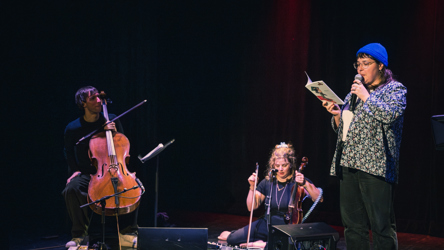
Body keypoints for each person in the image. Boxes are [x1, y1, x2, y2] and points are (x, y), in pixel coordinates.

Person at [322, 43, 407, 250]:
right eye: (357, 64)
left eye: (366, 64)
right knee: (353, 226)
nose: (360, 69)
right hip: (349, 164)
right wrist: (337, 115)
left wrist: (366, 97)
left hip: (376, 167)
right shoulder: (354, 94)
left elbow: (389, 116)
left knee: (381, 226)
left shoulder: (395, 89)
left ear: (380, 66)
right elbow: (344, 130)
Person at [63, 86, 138, 248]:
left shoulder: (111, 119)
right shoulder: (73, 128)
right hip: (87, 172)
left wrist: (115, 132)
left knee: (133, 186)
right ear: (83, 103)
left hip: (113, 168)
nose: (98, 101)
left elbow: (122, 146)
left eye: (99, 97)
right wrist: (74, 170)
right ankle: (80, 236)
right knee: (71, 189)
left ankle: (128, 233)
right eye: (93, 98)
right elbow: (68, 151)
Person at [218, 142, 323, 248]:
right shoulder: (268, 182)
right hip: (267, 223)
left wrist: (305, 183)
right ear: (273, 165)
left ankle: (261, 245)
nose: (280, 169)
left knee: (287, 246)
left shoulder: (298, 180)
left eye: (284, 165)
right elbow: (251, 207)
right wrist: (252, 187)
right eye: (277, 166)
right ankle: (264, 243)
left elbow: (319, 198)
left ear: (291, 164)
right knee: (232, 239)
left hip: (288, 227)